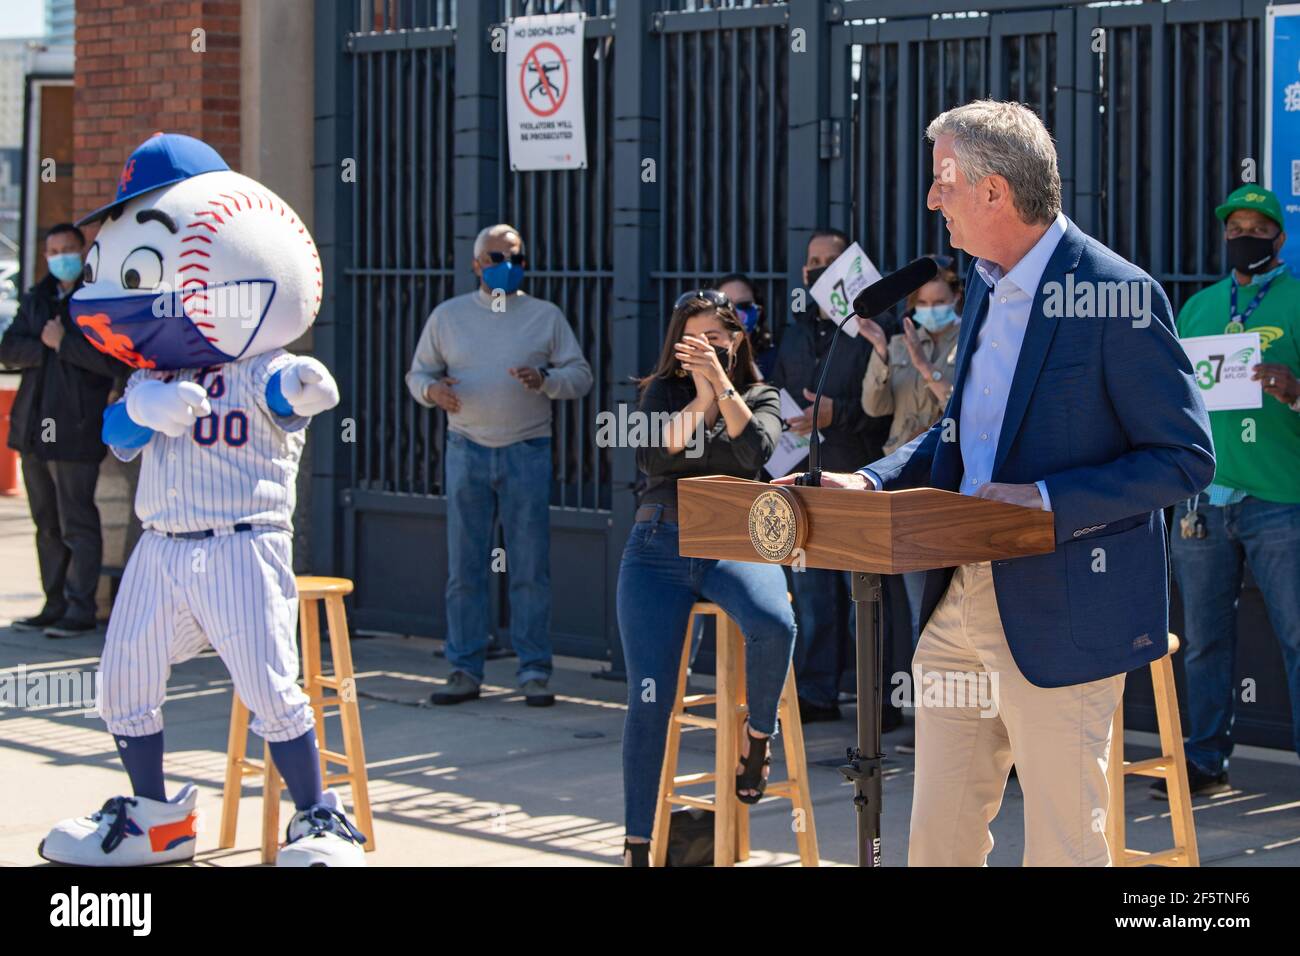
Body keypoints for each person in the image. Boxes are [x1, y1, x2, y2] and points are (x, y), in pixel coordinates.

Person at [777, 99, 1214, 866]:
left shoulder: (1119, 295)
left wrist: (1044, 503)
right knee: (937, 842)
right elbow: (957, 441)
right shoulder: (985, 285)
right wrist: (872, 482)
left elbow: (1183, 456)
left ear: (992, 192)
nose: (931, 200)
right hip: (955, 609)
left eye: (942, 180)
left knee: (1063, 847)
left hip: (1062, 610)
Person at [39, 133, 364, 867]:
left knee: (272, 690)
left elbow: (290, 393)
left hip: (241, 541)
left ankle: (319, 816)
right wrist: (143, 411)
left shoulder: (259, 366)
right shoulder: (150, 374)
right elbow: (116, 431)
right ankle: (155, 815)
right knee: (122, 677)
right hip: (161, 545)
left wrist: (303, 387)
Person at [617, 290, 796, 867]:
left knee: (775, 623)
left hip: (732, 541)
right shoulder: (660, 393)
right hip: (657, 543)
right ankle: (638, 844)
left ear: (736, 341)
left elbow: (755, 455)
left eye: (715, 341)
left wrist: (721, 385)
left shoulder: (760, 394)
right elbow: (657, 457)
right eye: (692, 342)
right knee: (649, 698)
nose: (704, 351)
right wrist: (699, 394)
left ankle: (757, 737)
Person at [407, 223, 593, 708]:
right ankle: (464, 668)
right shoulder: (448, 317)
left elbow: (580, 376)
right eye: (495, 257)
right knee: (465, 566)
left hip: (526, 450)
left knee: (530, 565)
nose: (506, 265)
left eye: (516, 256)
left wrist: (545, 379)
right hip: (466, 448)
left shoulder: (545, 316)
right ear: (475, 265)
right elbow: (418, 372)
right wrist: (433, 392)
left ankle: (534, 670)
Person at [1163, 184, 1300, 798]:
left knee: (1298, 637)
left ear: (1278, 236)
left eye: (1257, 226)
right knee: (1204, 640)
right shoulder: (1197, 308)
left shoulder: (1297, 299)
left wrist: (1295, 390)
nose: (1244, 235)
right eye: (1235, 226)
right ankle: (1203, 758)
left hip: (1282, 495)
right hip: (1205, 499)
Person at [770, 229, 887, 723]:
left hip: (856, 476)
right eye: (812, 261)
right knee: (814, 595)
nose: (818, 268)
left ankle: (876, 704)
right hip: (803, 477)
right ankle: (816, 693)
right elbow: (777, 389)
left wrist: (838, 415)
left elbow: (887, 408)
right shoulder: (795, 331)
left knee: (863, 597)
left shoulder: (873, 331)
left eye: (830, 260)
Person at [0, 223, 130, 637]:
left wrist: (62, 344)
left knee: (77, 521)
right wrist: (45, 344)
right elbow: (9, 349)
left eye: (67, 249)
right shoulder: (37, 298)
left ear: (83, 250)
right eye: (53, 250)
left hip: (76, 428)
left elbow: (113, 362)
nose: (60, 256)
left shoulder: (98, 298)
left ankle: (80, 609)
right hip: (35, 427)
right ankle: (52, 604)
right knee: (47, 523)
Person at [860, 257, 963, 650]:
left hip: (949, 481)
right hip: (904, 483)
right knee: (918, 598)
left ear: (956, 298)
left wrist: (925, 367)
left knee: (955, 596)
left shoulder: (972, 339)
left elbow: (962, 407)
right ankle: (923, 700)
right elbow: (874, 406)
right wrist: (882, 352)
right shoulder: (900, 342)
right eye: (925, 303)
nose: (932, 309)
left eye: (941, 300)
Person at [715, 272, 776, 380]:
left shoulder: (776, 358)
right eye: (726, 306)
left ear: (759, 310)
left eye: (744, 305)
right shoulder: (702, 356)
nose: (735, 313)